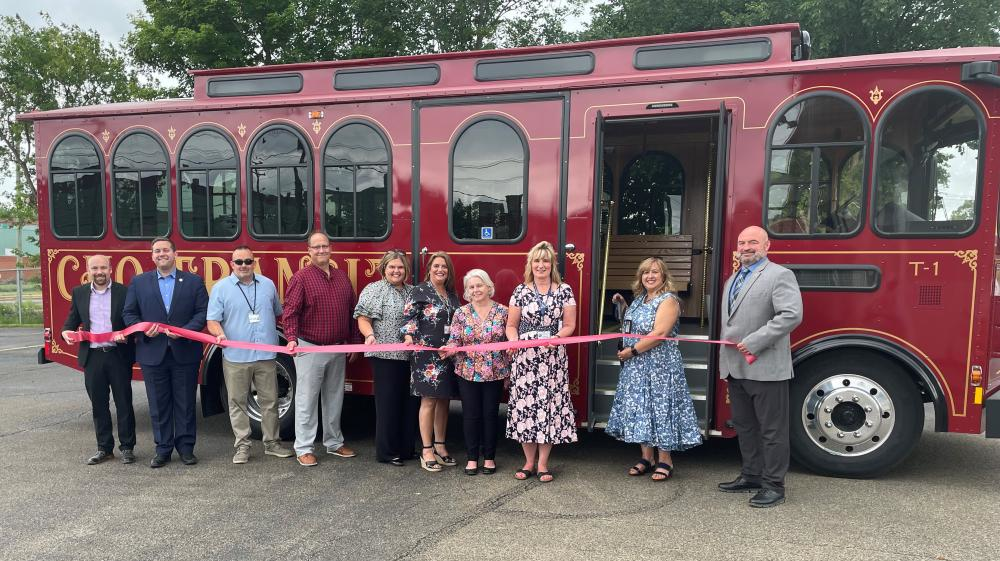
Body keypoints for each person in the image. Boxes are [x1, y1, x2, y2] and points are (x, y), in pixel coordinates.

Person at [717, 225, 802, 508]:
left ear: (767, 246)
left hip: (765, 366)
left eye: (753, 241)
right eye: (742, 242)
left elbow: (791, 315)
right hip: (735, 367)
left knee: (772, 430)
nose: (746, 246)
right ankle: (751, 475)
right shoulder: (733, 279)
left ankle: (774, 485)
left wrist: (755, 341)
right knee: (745, 426)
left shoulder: (780, 275)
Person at [606, 257, 701, 481]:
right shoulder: (640, 300)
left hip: (659, 365)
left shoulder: (669, 300)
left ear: (664, 276)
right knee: (642, 408)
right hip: (637, 367)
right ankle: (646, 457)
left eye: (655, 272)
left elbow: (659, 334)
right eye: (645, 272)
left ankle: (665, 460)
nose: (650, 276)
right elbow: (634, 324)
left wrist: (632, 351)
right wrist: (622, 305)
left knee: (660, 409)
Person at [122, 237, 209, 468]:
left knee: (185, 403)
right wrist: (143, 331)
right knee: (158, 405)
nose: (162, 254)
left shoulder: (193, 281)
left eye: (166, 250)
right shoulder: (139, 283)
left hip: (185, 352)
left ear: (175, 254)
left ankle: (186, 448)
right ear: (152, 256)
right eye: (157, 251)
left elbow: (202, 312)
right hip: (152, 352)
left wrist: (184, 331)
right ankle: (162, 449)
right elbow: (129, 314)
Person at [206, 246, 295, 464]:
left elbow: (277, 312)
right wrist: (219, 334)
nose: (244, 266)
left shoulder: (267, 284)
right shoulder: (221, 288)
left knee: (270, 401)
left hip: (266, 355)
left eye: (248, 261)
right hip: (236, 357)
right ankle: (243, 446)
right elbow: (212, 321)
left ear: (254, 263)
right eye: (239, 262)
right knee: (237, 402)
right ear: (231, 264)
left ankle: (272, 444)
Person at [283, 232, 362, 467]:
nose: (321, 251)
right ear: (308, 251)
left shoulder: (341, 277)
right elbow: (290, 312)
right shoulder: (301, 278)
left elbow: (352, 312)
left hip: (338, 347)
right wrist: (291, 339)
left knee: (334, 398)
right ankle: (304, 447)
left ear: (331, 248)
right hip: (310, 347)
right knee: (307, 400)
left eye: (324, 246)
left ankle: (334, 442)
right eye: (316, 247)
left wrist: (354, 341)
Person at [505, 241, 577, 483]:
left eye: (545, 261)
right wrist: (514, 344)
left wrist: (556, 339)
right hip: (525, 359)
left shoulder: (564, 290)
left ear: (552, 264)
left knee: (549, 408)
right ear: (531, 264)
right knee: (526, 407)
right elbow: (511, 326)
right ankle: (528, 462)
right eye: (537, 261)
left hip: (553, 357)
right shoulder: (520, 291)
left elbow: (570, 325)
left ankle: (544, 464)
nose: (541, 265)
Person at [61, 254, 136, 465]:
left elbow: (132, 319)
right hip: (92, 357)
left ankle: (127, 447)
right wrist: (65, 332)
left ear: (110, 269)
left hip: (118, 355)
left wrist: (127, 335)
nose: (99, 272)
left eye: (103, 267)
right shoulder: (79, 293)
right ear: (88, 270)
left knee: (124, 403)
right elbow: (71, 320)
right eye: (95, 268)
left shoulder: (124, 291)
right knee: (99, 405)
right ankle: (104, 448)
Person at [441, 269, 511, 476]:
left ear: (489, 287)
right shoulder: (460, 313)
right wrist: (449, 349)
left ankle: (489, 458)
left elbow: (509, 343)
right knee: (470, 416)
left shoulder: (503, 312)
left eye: (479, 285)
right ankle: (472, 458)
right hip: (467, 371)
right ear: (467, 292)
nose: (476, 289)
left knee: (490, 415)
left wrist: (508, 373)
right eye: (471, 287)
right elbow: (454, 340)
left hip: (495, 372)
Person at [354, 250, 419, 467]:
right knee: (388, 404)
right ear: (384, 268)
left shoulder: (412, 292)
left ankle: (406, 448)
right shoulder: (375, 290)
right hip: (384, 355)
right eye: (392, 267)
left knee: (410, 403)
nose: (396, 271)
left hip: (409, 357)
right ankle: (388, 452)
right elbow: (363, 318)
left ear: (406, 270)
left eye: (400, 267)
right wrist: (369, 335)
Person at [402, 251, 460, 472]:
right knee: (428, 401)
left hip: (448, 354)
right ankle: (426, 450)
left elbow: (457, 322)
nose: (440, 270)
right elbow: (408, 318)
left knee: (444, 400)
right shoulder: (420, 290)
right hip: (425, 354)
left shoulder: (452, 295)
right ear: (429, 269)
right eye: (436, 266)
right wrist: (409, 337)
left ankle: (440, 445)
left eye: (444, 267)